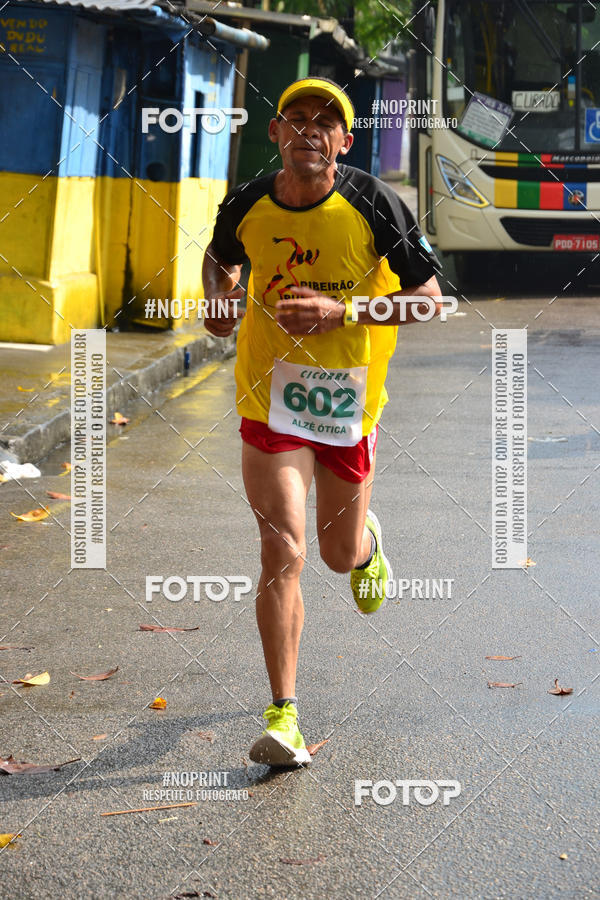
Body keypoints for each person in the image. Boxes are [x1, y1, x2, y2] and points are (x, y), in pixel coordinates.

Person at [202, 76, 443, 767]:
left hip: (346, 402)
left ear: (344, 140)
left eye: (325, 121)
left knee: (337, 558)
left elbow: (430, 303)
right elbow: (222, 255)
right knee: (282, 549)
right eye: (296, 118)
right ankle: (285, 718)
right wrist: (217, 297)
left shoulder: (373, 203)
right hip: (268, 398)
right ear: (275, 132)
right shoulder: (247, 202)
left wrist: (347, 313)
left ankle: (366, 541)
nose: (310, 129)